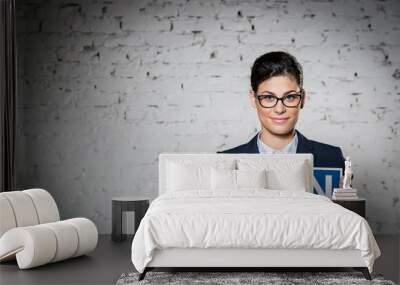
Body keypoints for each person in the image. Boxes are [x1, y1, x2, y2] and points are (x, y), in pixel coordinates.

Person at [218, 51, 345, 173]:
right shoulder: (224, 162)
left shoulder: (332, 159)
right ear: (253, 99)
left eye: (290, 97)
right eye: (268, 98)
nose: (279, 109)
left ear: (302, 99)